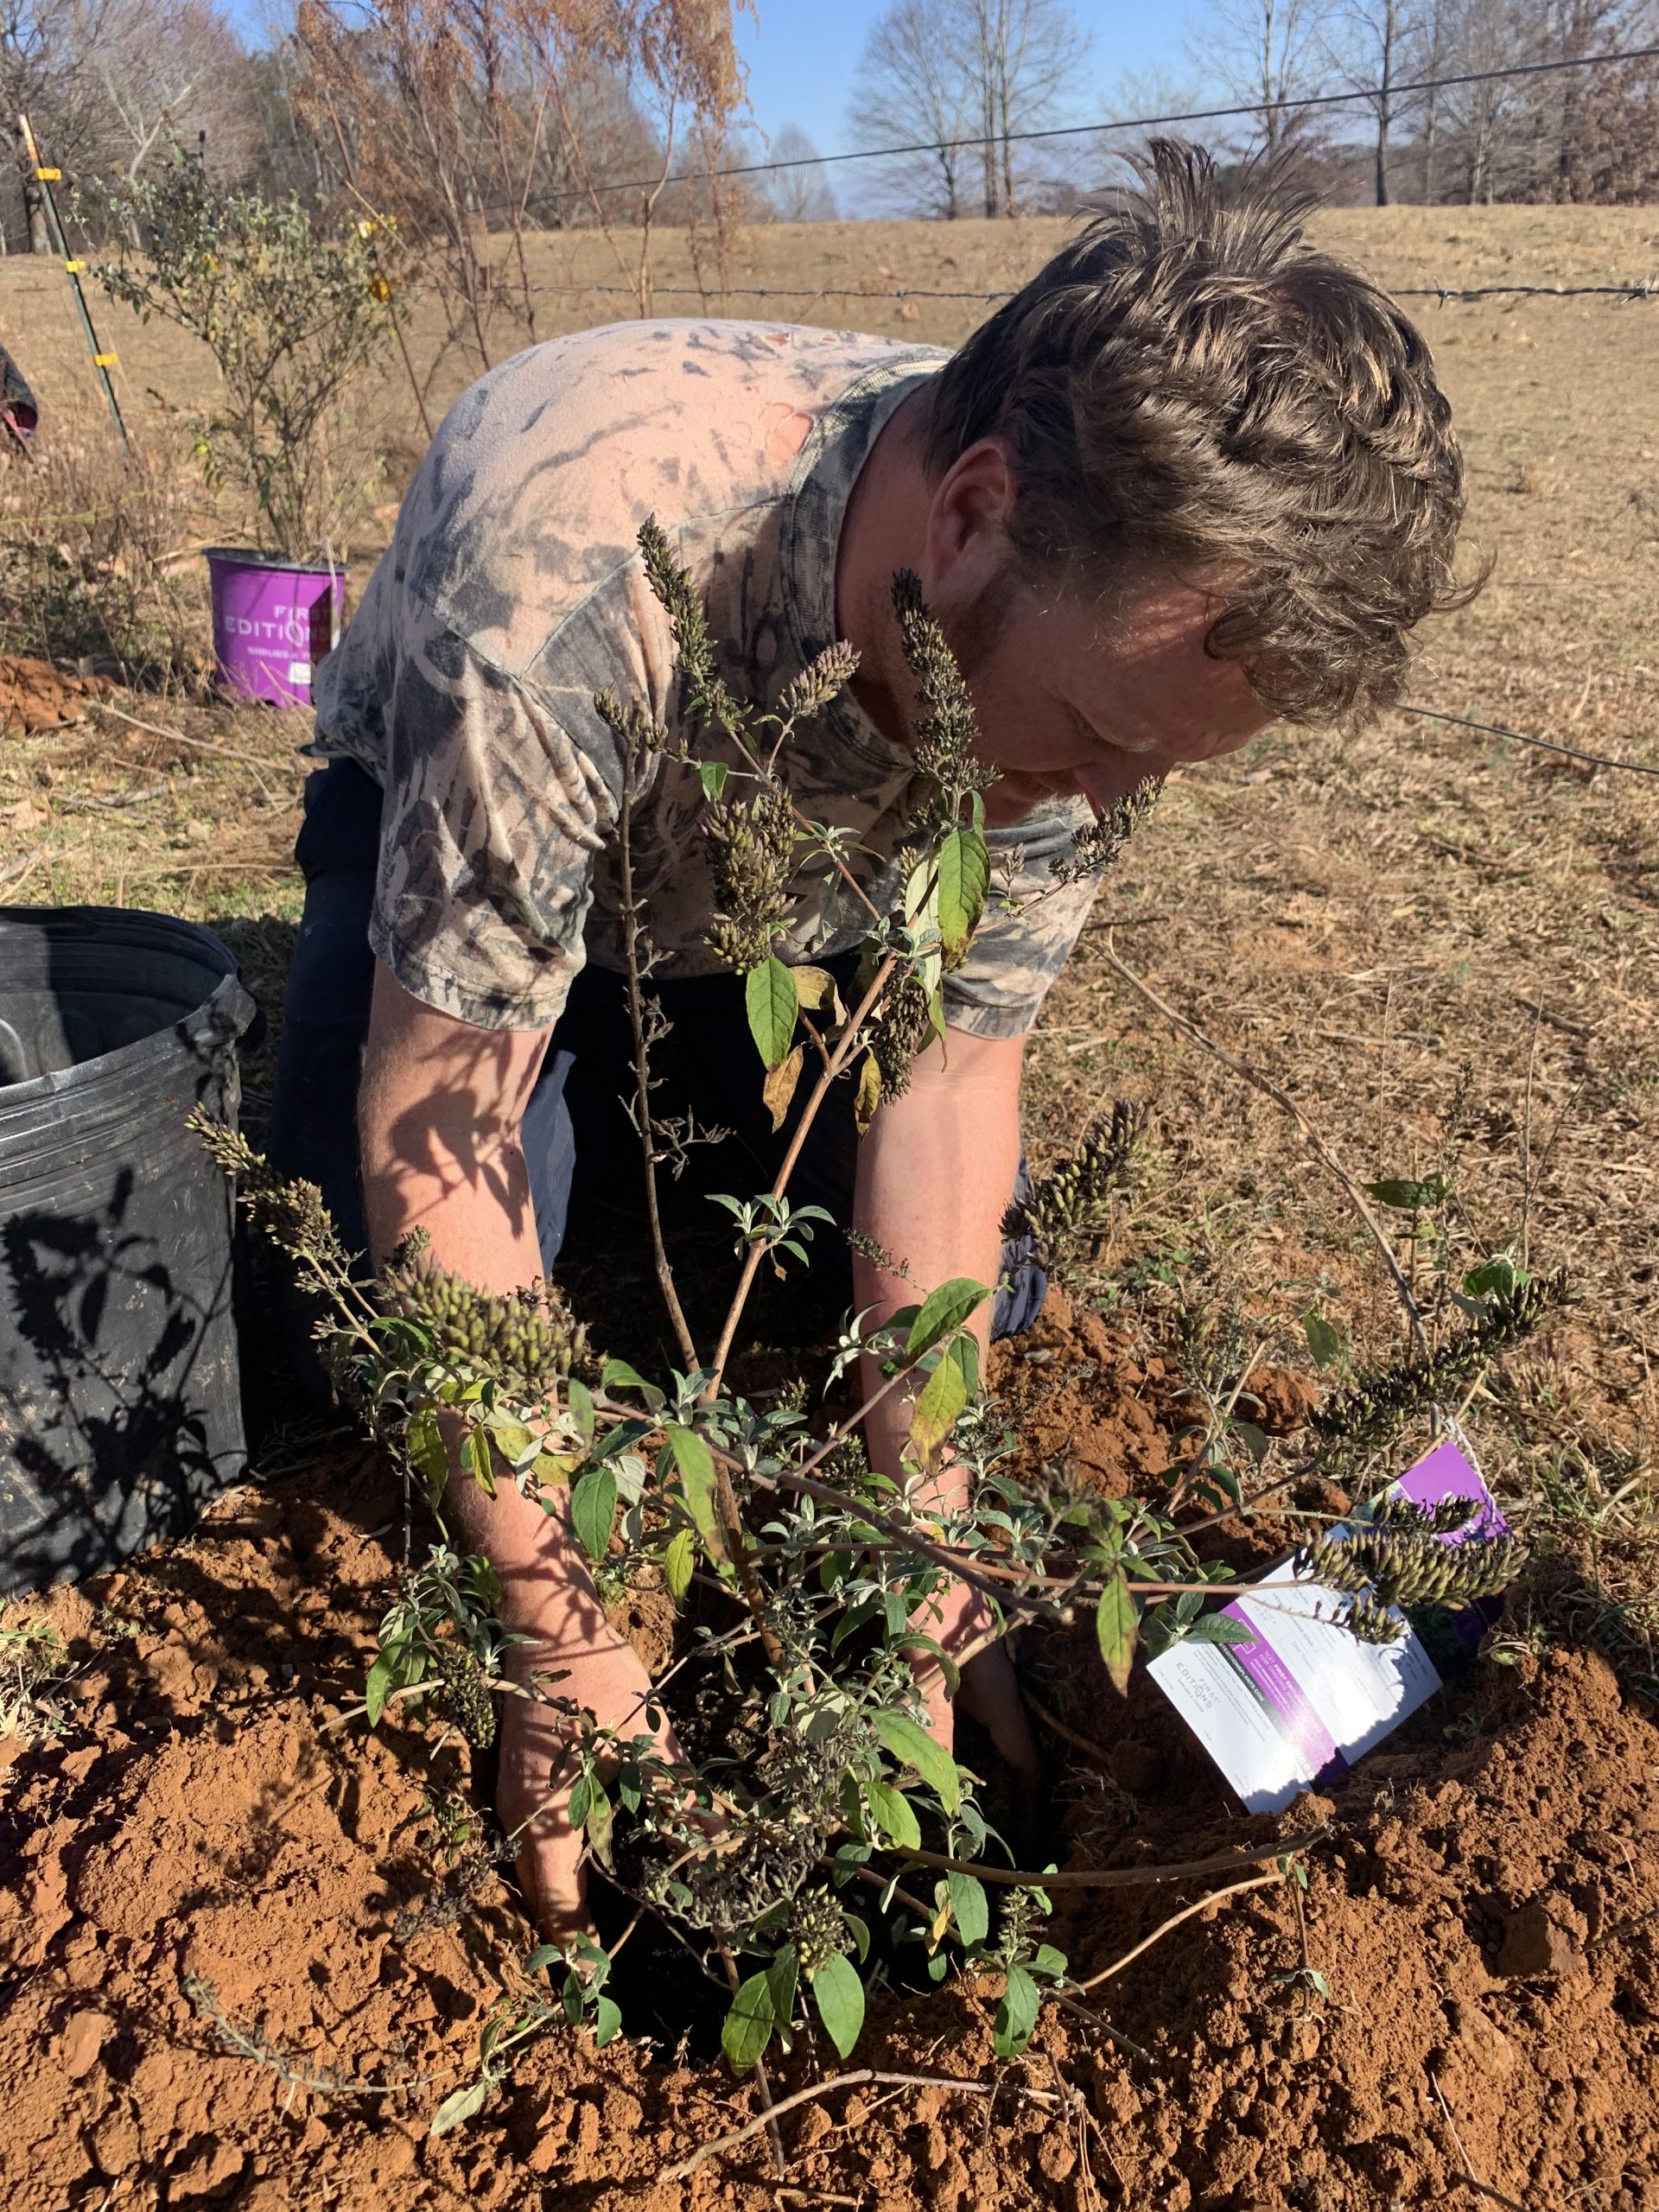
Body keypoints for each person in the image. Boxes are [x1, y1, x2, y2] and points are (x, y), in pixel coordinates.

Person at [269, 143, 1470, 1936]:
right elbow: (441, 1104)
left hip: (794, 899)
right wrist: (560, 1621)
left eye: (1151, 763)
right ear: (971, 514)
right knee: (348, 1309)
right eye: (1087, 737)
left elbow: (951, 1075)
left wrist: (927, 1540)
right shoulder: (570, 575)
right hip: (488, 819)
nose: (1103, 802)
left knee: (961, 1294)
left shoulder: (1066, 647)